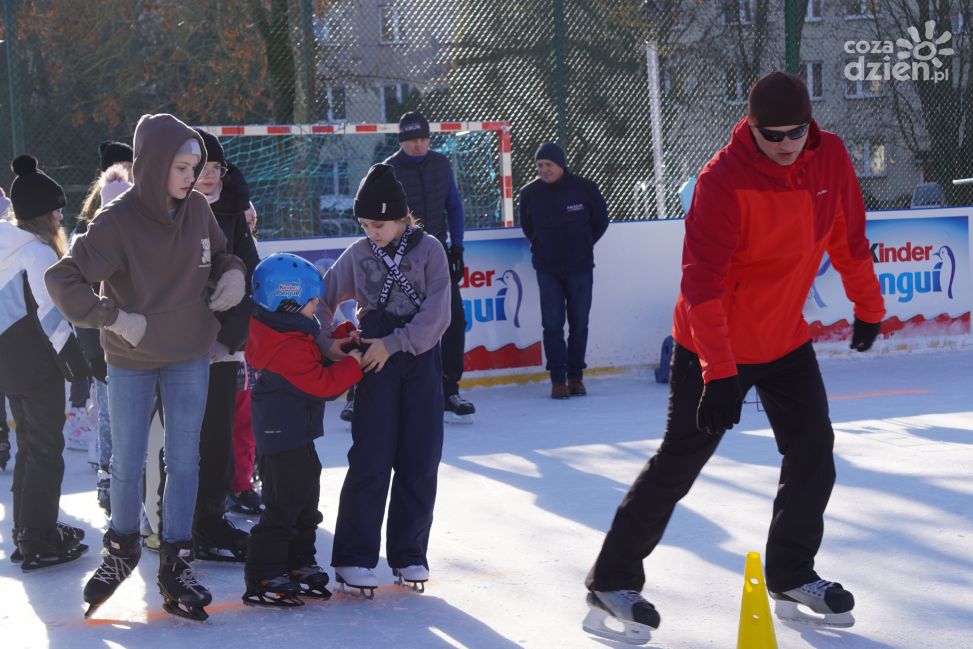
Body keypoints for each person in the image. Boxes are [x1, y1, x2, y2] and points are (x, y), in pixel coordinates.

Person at [582, 72, 886, 643]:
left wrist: (868, 304)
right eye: (773, 135)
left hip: (785, 338)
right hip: (713, 342)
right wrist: (719, 373)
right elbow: (702, 285)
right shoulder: (722, 181)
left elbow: (849, 234)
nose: (786, 144)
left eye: (796, 131)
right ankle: (612, 580)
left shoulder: (832, 157)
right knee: (680, 462)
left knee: (814, 450)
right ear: (751, 128)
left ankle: (793, 572)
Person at [46, 114, 246, 621]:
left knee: (184, 460)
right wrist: (112, 317)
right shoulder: (117, 221)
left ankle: (175, 560)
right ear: (154, 164)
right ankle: (122, 549)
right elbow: (63, 279)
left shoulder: (200, 210)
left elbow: (223, 256)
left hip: (189, 354)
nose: (191, 176)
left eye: (195, 166)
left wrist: (232, 276)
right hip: (132, 357)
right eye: (181, 166)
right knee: (127, 461)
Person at [316, 163, 450, 596]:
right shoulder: (357, 254)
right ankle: (354, 557)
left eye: (378, 224)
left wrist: (394, 344)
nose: (371, 231)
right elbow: (323, 297)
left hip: (419, 360)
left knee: (420, 457)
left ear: (400, 217)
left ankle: (409, 553)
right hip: (372, 365)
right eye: (365, 224)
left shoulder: (430, 250)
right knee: (371, 458)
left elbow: (437, 314)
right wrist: (327, 341)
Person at [242, 253, 363, 607]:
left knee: (306, 501)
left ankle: (298, 562)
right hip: (282, 440)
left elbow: (315, 356)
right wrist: (354, 365)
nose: (317, 308)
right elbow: (322, 384)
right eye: (312, 302)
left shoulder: (289, 331)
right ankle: (264, 573)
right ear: (288, 301)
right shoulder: (284, 346)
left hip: (297, 434)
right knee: (283, 506)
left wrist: (339, 338)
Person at [0, 155, 88, 571]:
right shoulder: (36, 254)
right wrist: (79, 370)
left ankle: (28, 529)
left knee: (31, 449)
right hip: (35, 365)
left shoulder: (7, 245)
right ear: (40, 213)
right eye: (56, 208)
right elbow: (53, 319)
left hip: (10, 365)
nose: (60, 214)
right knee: (46, 450)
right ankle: (38, 536)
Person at [182, 128, 260, 562]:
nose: (211, 176)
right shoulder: (170, 210)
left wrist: (230, 338)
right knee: (178, 441)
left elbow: (250, 275)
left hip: (223, 347)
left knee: (218, 437)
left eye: (217, 168)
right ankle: (173, 523)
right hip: (176, 347)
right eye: (203, 168)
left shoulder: (232, 212)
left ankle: (210, 518)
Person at [382, 111, 474, 423]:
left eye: (422, 139)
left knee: (453, 320)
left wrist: (457, 247)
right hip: (400, 259)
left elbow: (454, 205)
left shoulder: (440, 164)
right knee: (396, 323)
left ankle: (450, 389)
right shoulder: (387, 170)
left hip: (438, 257)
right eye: (411, 141)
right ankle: (383, 389)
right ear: (402, 143)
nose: (418, 146)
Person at [518, 141, 609, 399]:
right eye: (539, 165)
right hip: (547, 269)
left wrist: (582, 244)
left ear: (561, 165)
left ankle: (576, 377)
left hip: (580, 267)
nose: (544, 169)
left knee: (579, 323)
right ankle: (557, 379)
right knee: (553, 324)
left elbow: (600, 221)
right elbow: (527, 226)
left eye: (549, 164)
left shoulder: (585, 189)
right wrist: (541, 244)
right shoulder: (529, 194)